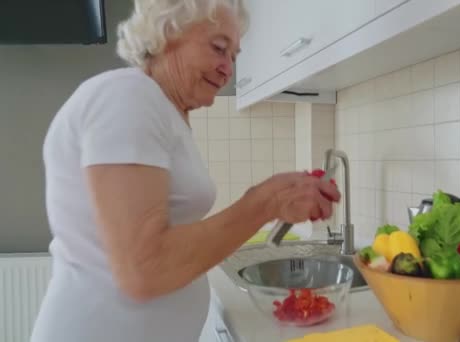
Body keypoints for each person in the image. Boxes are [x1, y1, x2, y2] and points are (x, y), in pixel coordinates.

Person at [30, 1, 340, 341]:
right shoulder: (129, 95)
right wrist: (265, 202)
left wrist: (277, 200)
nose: (227, 69)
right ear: (167, 33)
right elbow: (143, 270)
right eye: (219, 48)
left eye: (234, 56)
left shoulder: (164, 111)